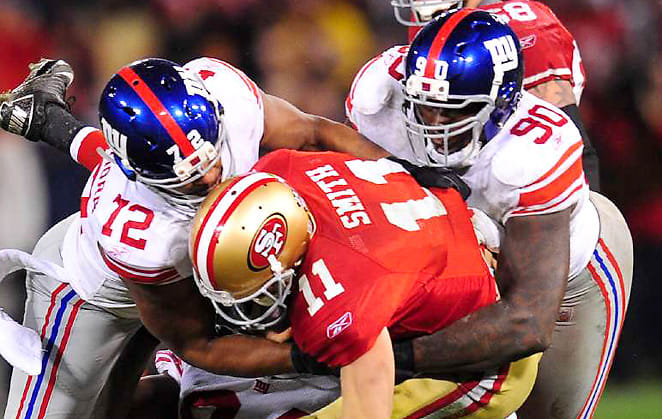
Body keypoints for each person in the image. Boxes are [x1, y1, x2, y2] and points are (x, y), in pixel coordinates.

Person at [0, 57, 386, 418]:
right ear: (139, 176)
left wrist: (399, 175)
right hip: (98, 297)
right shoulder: (142, 236)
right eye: (188, 179)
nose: (211, 176)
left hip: (203, 263)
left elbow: (313, 133)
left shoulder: (227, 96)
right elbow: (198, 344)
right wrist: (309, 357)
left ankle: (45, 116)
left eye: (213, 155)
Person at [346, 9, 632, 419]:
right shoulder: (380, 97)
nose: (435, 125)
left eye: (454, 110)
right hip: (456, 268)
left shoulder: (529, 155)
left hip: (567, 275)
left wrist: (393, 357)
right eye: (425, 107)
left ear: (501, 106)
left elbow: (527, 322)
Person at [187, 148, 540, 418]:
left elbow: (369, 410)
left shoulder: (338, 304)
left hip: (484, 357)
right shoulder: (280, 170)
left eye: (257, 291)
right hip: (462, 238)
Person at [350, 0, 600, 189]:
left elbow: (571, 153)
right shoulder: (430, 21)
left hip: (509, 173)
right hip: (444, 163)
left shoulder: (528, 31)